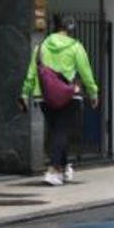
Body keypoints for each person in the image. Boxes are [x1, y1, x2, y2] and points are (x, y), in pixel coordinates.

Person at [18, 15, 99, 186]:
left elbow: (32, 73)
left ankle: (63, 167)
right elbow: (86, 73)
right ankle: (53, 169)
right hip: (69, 96)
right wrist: (93, 93)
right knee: (62, 132)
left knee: (56, 132)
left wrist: (25, 94)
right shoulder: (76, 47)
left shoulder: (40, 48)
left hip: (44, 97)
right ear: (71, 29)